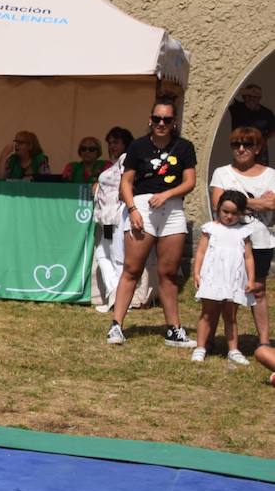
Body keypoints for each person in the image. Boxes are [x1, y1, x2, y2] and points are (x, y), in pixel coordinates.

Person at [109, 99, 198, 349]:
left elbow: (189, 181)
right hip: (143, 207)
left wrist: (168, 194)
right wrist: (132, 209)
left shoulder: (184, 147)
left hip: (172, 208)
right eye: (157, 119)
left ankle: (174, 329)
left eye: (167, 120)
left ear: (174, 122)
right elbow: (126, 182)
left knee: (168, 273)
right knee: (132, 269)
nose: (161, 124)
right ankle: (116, 325)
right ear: (150, 119)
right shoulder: (138, 146)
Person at [208, 126, 275, 351]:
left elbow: (273, 204)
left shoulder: (270, 175)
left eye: (247, 144)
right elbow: (219, 205)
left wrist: (236, 201)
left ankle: (264, 342)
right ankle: (214, 341)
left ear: (258, 148)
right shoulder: (221, 173)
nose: (241, 149)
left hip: (261, 240)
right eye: (236, 144)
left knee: (258, 289)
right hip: (228, 242)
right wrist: (258, 202)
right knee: (222, 290)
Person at [192, 190, 258, 365]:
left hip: (233, 279)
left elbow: (248, 257)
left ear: (242, 213)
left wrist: (251, 279)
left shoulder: (243, 232)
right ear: (218, 209)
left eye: (234, 213)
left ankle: (233, 349)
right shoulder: (210, 228)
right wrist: (197, 272)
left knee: (230, 316)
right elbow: (201, 252)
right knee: (207, 313)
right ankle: (200, 347)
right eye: (225, 212)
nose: (229, 216)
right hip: (213, 276)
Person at [93, 126, 137, 313]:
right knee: (104, 254)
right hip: (108, 218)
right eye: (109, 143)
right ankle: (115, 294)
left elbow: (128, 184)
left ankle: (120, 300)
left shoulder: (127, 159)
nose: (112, 146)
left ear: (126, 143)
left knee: (115, 255)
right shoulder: (115, 163)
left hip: (119, 216)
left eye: (116, 142)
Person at [229, 83, 275, 162]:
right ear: (244, 96)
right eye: (249, 96)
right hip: (241, 147)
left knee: (260, 171)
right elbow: (227, 93)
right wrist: (248, 91)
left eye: (256, 97)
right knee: (241, 170)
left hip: (259, 150)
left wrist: (264, 139)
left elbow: (273, 130)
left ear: (259, 98)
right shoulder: (237, 107)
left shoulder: (266, 113)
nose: (252, 98)